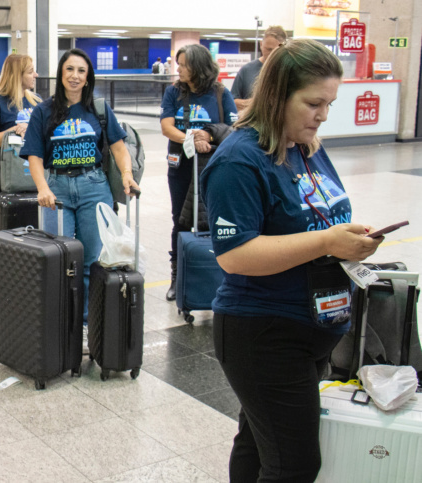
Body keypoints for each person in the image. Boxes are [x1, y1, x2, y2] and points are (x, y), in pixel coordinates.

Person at [201, 38, 383, 482]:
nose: (323, 115)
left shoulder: (305, 145)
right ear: (278, 95)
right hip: (264, 332)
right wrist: (326, 242)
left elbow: (318, 217)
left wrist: (347, 240)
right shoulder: (239, 161)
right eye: (314, 103)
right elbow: (235, 255)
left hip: (311, 325)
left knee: (260, 444)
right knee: (295, 465)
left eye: (329, 104)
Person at [21, 48, 139, 324]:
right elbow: (34, 156)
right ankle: (60, 321)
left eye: (81, 71)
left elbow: (119, 148)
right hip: (57, 189)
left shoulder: (98, 109)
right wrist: (42, 188)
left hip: (93, 187)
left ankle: (85, 321)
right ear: (61, 73)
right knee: (57, 258)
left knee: (90, 260)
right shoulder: (43, 111)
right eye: (70, 69)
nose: (75, 76)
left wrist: (127, 174)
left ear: (88, 78)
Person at [160, 44, 238, 301]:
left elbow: (233, 128)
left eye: (184, 65)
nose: (179, 69)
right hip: (181, 166)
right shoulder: (174, 92)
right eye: (178, 64)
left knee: (214, 219)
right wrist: (191, 140)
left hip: (213, 166)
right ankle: (177, 277)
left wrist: (209, 136)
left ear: (199, 66)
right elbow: (167, 127)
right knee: (180, 220)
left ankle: (215, 276)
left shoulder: (220, 93)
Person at [0, 54, 41, 209]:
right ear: (17, 75)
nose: (36, 75)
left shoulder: (37, 101)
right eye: (30, 72)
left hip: (35, 169)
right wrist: (14, 130)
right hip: (6, 173)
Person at [231, 25, 287, 114]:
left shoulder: (288, 71)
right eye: (268, 49)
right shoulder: (246, 70)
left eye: (276, 51)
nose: (272, 54)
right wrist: (258, 102)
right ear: (261, 44)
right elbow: (233, 102)